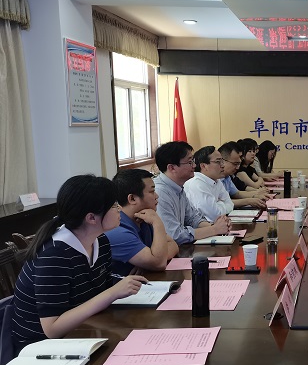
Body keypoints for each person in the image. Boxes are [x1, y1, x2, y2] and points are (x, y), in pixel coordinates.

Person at [11, 175, 146, 352]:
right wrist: (113, 292)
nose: (119, 208)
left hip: (84, 333)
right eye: (114, 205)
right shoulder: (54, 255)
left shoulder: (100, 241)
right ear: (91, 218)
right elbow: (52, 328)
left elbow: (102, 291)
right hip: (43, 350)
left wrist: (120, 287)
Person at [153, 141, 230, 244]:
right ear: (172, 168)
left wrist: (218, 227)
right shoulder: (159, 192)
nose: (194, 165)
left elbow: (193, 218)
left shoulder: (178, 187)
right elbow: (174, 235)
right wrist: (214, 230)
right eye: (189, 162)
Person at [106, 169, 179, 276]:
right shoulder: (117, 229)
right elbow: (159, 263)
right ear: (132, 198)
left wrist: (147, 262)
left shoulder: (144, 217)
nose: (157, 196)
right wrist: (157, 222)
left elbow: (173, 245)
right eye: (152, 191)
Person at [184, 146, 235, 221]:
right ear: (204, 166)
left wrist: (218, 205)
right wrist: (221, 203)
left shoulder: (216, 180)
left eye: (222, 161)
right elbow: (215, 215)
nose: (223, 165)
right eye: (218, 162)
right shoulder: (197, 184)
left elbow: (230, 204)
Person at [219, 141, 268, 209]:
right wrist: (248, 201)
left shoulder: (227, 177)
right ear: (222, 161)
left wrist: (256, 196)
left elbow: (237, 193)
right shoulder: (214, 178)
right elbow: (221, 203)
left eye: (239, 164)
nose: (237, 167)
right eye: (235, 164)